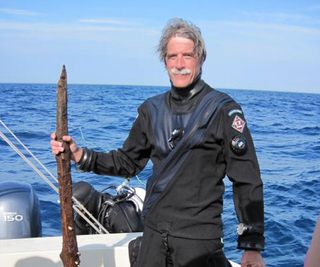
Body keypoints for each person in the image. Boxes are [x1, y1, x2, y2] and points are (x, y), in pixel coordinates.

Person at [51, 18, 265, 267]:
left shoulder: (224, 111)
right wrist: (80, 155)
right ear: (164, 61)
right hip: (153, 235)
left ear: (201, 58)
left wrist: (251, 245)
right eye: (172, 56)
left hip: (197, 241)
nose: (180, 64)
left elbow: (247, 180)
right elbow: (126, 162)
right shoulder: (151, 110)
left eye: (187, 55)